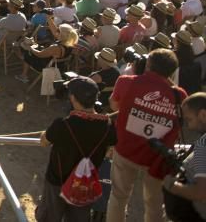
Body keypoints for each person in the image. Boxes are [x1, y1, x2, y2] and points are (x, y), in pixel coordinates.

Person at [107, 48, 187, 222]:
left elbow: (115, 107)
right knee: (154, 205)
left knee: (118, 197)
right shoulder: (179, 95)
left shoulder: (126, 82)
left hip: (126, 150)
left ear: (147, 64)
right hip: (158, 159)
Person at [36, 76, 116, 222]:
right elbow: (110, 150)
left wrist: (45, 132)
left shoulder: (62, 124)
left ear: (72, 98)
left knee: (49, 218)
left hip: (57, 181)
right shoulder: (108, 126)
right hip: (85, 183)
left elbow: (44, 141)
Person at [161, 92, 206, 220]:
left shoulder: (203, 145)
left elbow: (201, 192)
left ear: (203, 114)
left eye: (189, 119)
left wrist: (172, 185)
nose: (188, 126)